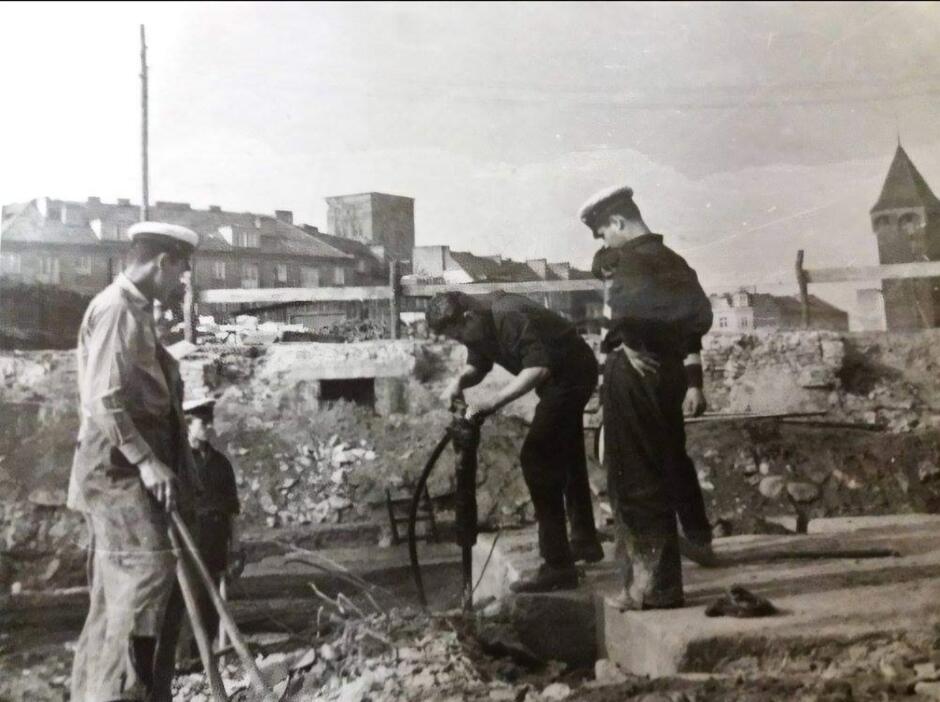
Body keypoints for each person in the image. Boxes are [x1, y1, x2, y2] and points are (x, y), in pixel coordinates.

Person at [67, 221, 200, 702]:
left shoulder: (137, 312)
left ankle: (104, 693)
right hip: (117, 470)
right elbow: (104, 400)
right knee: (147, 573)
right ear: (163, 262)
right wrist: (146, 461)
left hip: (124, 468)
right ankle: (118, 694)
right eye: (180, 271)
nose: (180, 282)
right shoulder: (117, 310)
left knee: (116, 594)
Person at [579, 185, 715, 611]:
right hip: (667, 375)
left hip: (633, 375)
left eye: (603, 233)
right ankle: (656, 582)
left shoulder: (630, 261)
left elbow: (623, 318)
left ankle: (652, 587)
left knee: (633, 478)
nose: (604, 243)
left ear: (618, 222)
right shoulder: (675, 261)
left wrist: (634, 340)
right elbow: (700, 317)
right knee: (656, 470)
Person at [427, 290, 603, 593]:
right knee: (567, 451)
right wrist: (459, 382)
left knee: (536, 458)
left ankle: (558, 565)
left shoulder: (507, 315)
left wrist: (493, 402)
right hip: (557, 378)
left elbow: (538, 368)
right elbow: (479, 365)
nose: (460, 341)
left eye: (458, 334)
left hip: (572, 375)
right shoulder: (475, 321)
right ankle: (584, 541)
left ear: (467, 318)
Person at [177, 397, 243, 662]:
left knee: (212, 600)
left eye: (209, 421)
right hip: (190, 538)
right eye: (203, 422)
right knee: (185, 601)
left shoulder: (221, 464)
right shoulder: (178, 463)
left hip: (216, 539)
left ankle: (210, 657)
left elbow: (232, 511)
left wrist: (235, 547)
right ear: (187, 425)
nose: (209, 427)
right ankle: (187, 658)